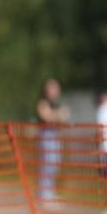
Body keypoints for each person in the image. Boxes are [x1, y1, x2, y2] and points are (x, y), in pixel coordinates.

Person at [35, 78, 70, 206]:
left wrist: (55, 115)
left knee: (54, 164)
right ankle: (44, 194)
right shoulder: (42, 102)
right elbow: (47, 117)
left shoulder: (57, 104)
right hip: (46, 135)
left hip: (55, 135)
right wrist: (58, 115)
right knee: (47, 164)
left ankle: (49, 192)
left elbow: (64, 116)